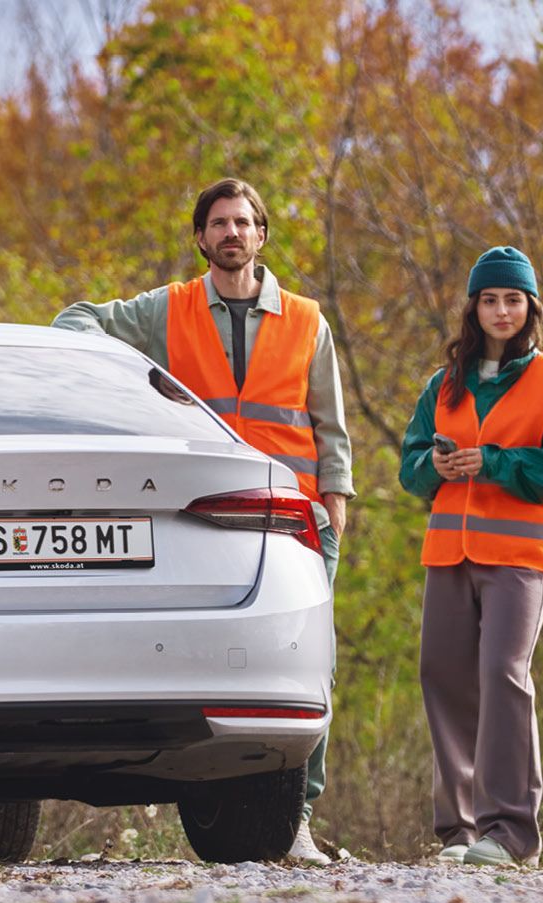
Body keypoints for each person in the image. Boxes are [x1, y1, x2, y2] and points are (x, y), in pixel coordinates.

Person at [52, 177, 355, 865]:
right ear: (200, 237)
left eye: (244, 222)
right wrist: (111, 385)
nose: (231, 233)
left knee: (308, 670)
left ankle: (295, 819)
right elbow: (77, 319)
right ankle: (221, 801)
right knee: (209, 659)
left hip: (291, 521)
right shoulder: (170, 309)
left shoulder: (308, 320)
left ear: (262, 235)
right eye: (218, 223)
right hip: (201, 514)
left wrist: (336, 498)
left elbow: (329, 425)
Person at [397, 246, 543, 867]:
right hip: (448, 553)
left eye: (513, 300)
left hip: (519, 555)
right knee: (442, 676)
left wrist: (497, 462)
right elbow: (408, 468)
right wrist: (430, 465)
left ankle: (510, 834)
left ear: (530, 307)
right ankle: (459, 833)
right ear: (474, 308)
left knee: (503, 677)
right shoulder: (444, 384)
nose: (502, 310)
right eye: (490, 300)